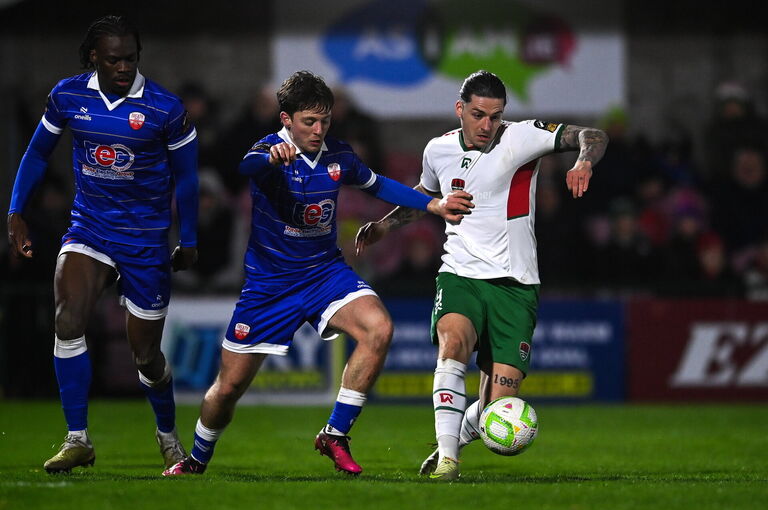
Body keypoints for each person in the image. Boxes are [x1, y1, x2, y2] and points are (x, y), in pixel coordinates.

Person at [162, 70, 471, 477]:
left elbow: (378, 186)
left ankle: (335, 433)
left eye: (324, 120)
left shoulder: (338, 156)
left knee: (379, 329)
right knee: (229, 388)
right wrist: (270, 157)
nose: (318, 129)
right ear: (286, 119)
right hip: (270, 287)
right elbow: (246, 164)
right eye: (309, 121)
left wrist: (431, 206)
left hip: (325, 274)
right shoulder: (268, 151)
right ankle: (197, 458)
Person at [355, 70, 608, 480]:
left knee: (498, 410)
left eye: (495, 116)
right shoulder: (437, 150)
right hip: (461, 274)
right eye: (478, 115)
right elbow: (423, 196)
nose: (487, 125)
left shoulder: (523, 136)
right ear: (460, 110)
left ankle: (455, 440)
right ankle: (448, 458)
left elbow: (593, 135)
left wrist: (582, 161)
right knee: (452, 342)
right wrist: (384, 226)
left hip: (516, 285)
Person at [6, 15, 199, 473]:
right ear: (93, 56)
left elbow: (188, 177)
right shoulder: (68, 95)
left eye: (131, 58)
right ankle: (78, 439)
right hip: (89, 228)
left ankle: (168, 436)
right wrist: (16, 210)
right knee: (67, 317)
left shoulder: (164, 109)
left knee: (146, 357)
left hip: (145, 239)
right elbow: (37, 153)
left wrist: (188, 238)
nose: (124, 67)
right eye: (114, 59)